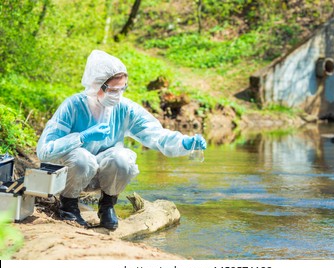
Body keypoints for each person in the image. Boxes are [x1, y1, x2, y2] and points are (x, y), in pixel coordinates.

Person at [36, 50, 207, 230]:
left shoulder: (124, 109)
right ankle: (68, 206)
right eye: (113, 90)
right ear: (96, 85)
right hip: (70, 173)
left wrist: (184, 143)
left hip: (101, 175)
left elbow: (155, 134)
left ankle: (107, 205)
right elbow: (44, 150)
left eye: (122, 89)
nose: (118, 95)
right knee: (82, 159)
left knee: (122, 158)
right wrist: (81, 137)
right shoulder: (73, 106)